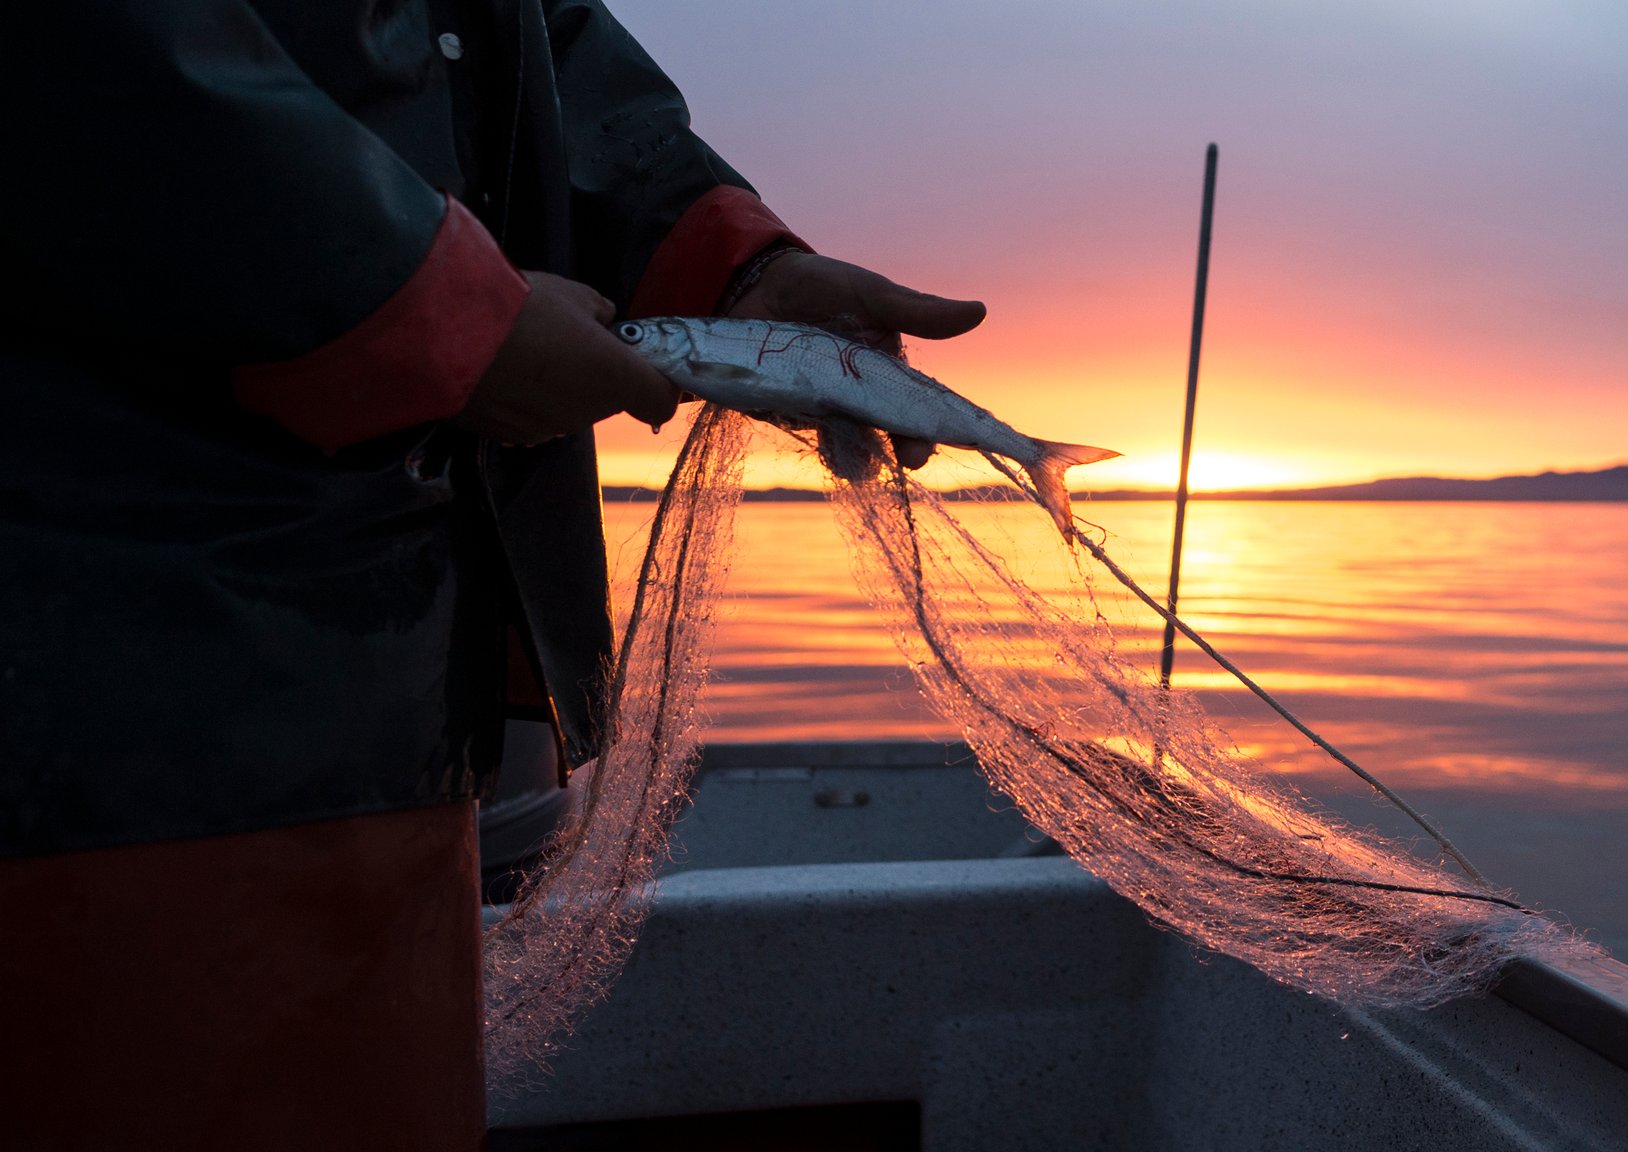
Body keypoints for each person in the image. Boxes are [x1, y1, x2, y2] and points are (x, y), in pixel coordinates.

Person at [0, 1, 981, 1144]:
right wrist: (437, 316)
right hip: (122, 697)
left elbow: (513, 32)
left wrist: (736, 268)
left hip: (395, 683)